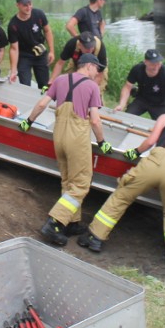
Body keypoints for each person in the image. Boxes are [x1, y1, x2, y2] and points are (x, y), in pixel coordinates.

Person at [78, 99, 165, 267]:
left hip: (152, 165)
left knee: (121, 197)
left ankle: (95, 238)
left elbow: (150, 142)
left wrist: (134, 153)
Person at [18, 53, 113, 246]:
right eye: (97, 68)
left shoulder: (60, 80)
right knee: (81, 183)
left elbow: (43, 103)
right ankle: (54, 223)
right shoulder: (92, 86)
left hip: (58, 133)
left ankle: (72, 222)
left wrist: (29, 121)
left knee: (68, 179)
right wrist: (102, 141)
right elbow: (95, 120)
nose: (98, 72)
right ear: (88, 66)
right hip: (77, 136)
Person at [114, 49, 165, 119]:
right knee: (126, 117)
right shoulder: (137, 69)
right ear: (145, 62)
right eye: (153, 64)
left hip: (160, 104)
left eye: (158, 63)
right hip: (142, 100)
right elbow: (127, 87)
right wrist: (122, 104)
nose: (156, 66)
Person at [8, 0, 54, 90]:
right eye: (25, 5)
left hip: (40, 53)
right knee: (25, 85)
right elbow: (14, 49)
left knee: (44, 85)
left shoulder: (39, 14)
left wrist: (51, 51)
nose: (28, 7)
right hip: (24, 56)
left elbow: (47, 31)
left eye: (30, 4)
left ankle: (43, 102)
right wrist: (13, 70)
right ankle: (27, 104)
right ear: (18, 5)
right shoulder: (13, 25)